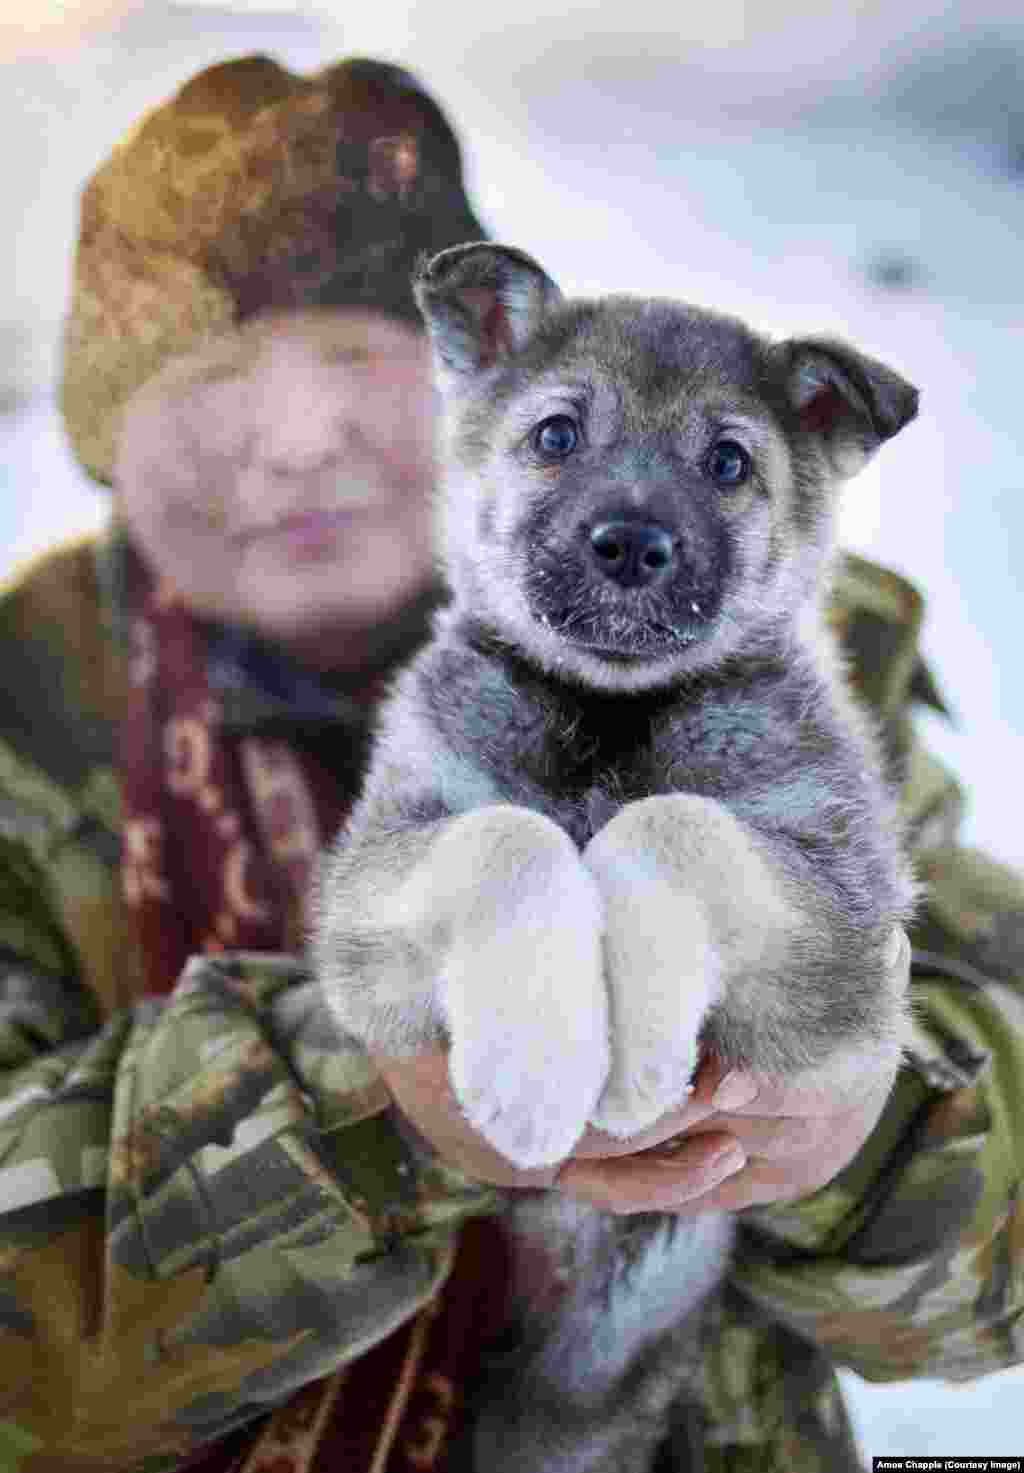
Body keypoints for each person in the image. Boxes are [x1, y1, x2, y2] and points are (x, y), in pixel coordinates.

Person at [0, 52, 1021, 1473]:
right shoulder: (23, 723)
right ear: (114, 433)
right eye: (219, 371)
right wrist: (373, 1100)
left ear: (458, 375)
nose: (299, 439)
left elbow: (1007, 1241)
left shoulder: (795, 667)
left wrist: (859, 1113)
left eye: (357, 358)